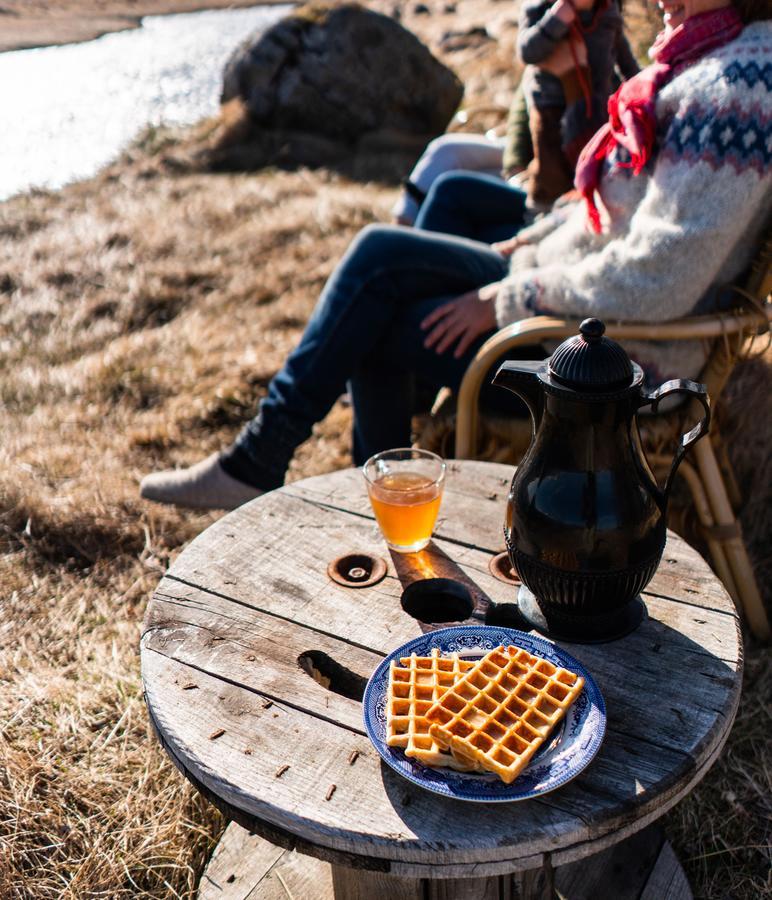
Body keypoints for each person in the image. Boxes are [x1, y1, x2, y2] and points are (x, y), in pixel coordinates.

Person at [140, 0, 771, 511]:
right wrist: (526, 244)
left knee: (379, 292)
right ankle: (307, 472)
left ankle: (306, 478)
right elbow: (619, 223)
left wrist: (504, 297)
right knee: (389, 259)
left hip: (612, 362)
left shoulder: (735, 88)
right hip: (585, 313)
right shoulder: (714, 63)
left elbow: (661, 276)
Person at [517, 0, 638, 209]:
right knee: (551, 170)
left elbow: (621, 52)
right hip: (551, 109)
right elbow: (527, 52)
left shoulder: (607, 11)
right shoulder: (541, 8)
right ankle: (543, 207)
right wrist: (555, 20)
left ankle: (591, 201)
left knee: (595, 162)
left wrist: (638, 81)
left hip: (598, 104)